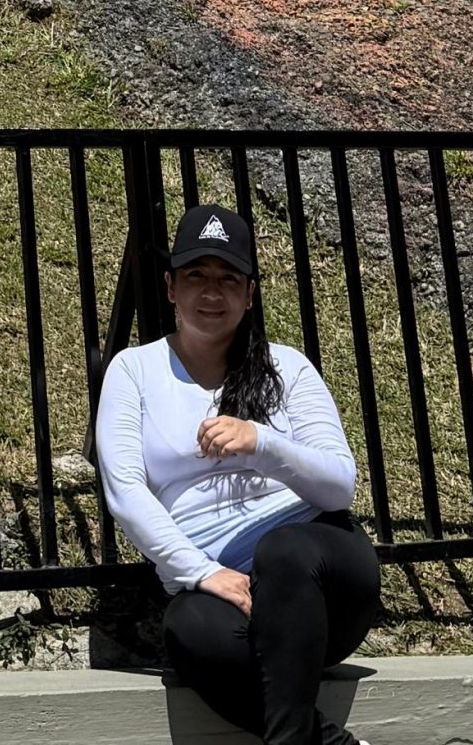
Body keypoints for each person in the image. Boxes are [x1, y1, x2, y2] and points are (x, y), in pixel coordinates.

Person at [94, 203, 382, 745]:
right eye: (196, 276)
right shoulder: (134, 370)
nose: (212, 292)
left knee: (283, 549)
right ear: (170, 287)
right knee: (189, 629)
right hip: (229, 591)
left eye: (229, 279)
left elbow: (339, 485)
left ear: (249, 294)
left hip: (320, 576)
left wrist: (261, 443)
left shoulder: (287, 367)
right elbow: (125, 490)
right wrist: (203, 572)